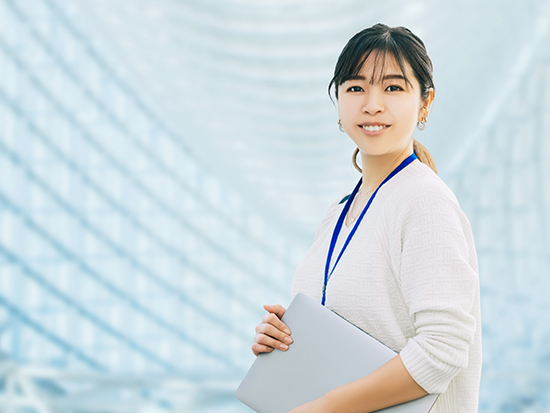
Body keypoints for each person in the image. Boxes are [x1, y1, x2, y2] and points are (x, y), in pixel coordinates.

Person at [252, 23, 482, 413]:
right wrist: (282, 341)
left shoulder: (424, 201)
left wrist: (327, 406)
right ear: (338, 103)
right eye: (356, 88)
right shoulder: (339, 211)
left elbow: (443, 348)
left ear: (425, 103)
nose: (372, 104)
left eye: (393, 88)